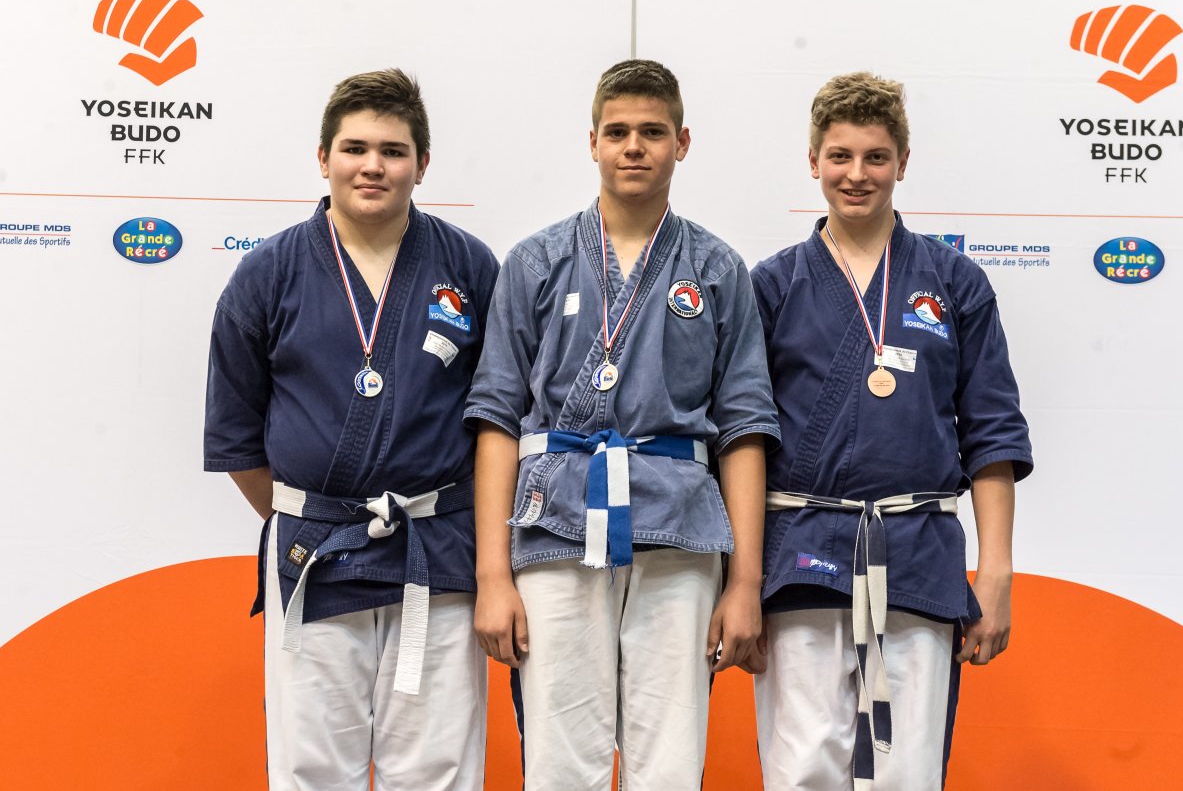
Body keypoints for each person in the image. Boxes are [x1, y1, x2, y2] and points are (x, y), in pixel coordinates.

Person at [465, 59, 779, 791]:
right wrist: (491, 574)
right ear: (593, 143)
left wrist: (746, 582)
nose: (634, 146)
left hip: (679, 530)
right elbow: (496, 420)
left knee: (670, 759)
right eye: (617, 132)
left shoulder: (717, 268)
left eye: (652, 132)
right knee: (559, 759)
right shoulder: (535, 261)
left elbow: (744, 429)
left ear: (682, 142)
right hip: (556, 524)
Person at [203, 68, 498, 790]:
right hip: (315, 554)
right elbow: (238, 438)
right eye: (355, 148)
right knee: (313, 767)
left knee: (438, 768)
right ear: (323, 157)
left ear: (421, 164)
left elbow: (498, 418)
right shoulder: (267, 273)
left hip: (437, 549)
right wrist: (312, 514)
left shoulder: (469, 265)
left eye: (394, 151)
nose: (373, 166)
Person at [751, 71, 1033, 790]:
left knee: (907, 767)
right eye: (840, 156)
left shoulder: (954, 281)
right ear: (812, 161)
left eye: (876, 156)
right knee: (803, 763)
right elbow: (744, 440)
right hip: (803, 549)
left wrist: (995, 572)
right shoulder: (774, 285)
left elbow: (992, 435)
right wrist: (741, 577)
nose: (857, 174)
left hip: (917, 551)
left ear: (903, 162)